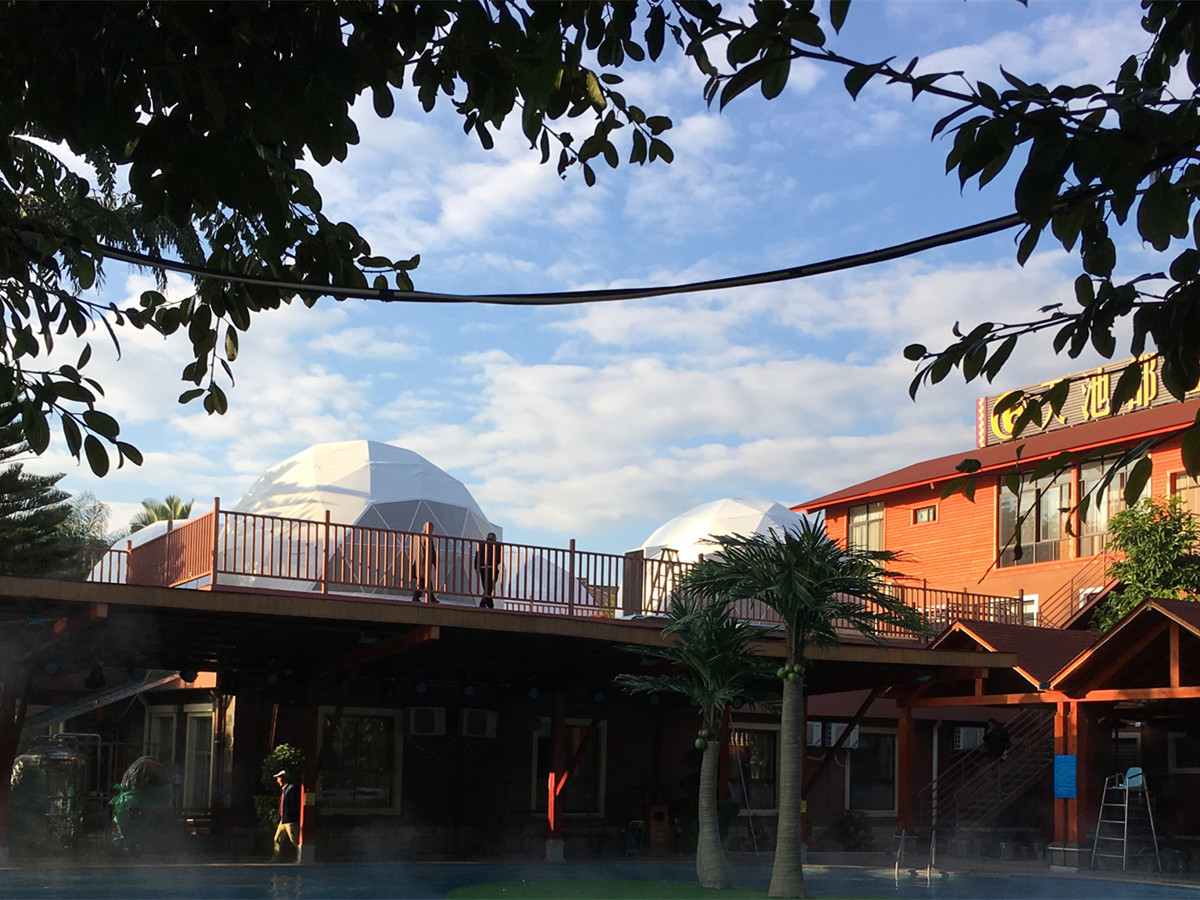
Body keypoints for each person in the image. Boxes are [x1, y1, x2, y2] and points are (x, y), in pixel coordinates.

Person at [272, 769, 301, 862]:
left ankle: (301, 857)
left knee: (294, 839)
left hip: (289, 819)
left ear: (283, 778)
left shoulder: (291, 788)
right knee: (277, 838)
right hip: (283, 819)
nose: (277, 781)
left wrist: (289, 814)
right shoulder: (284, 790)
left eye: (278, 778)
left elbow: (293, 804)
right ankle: (276, 858)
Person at [410, 528, 439, 603]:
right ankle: (417, 598)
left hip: (417, 561)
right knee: (423, 580)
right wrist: (434, 562)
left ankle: (431, 598)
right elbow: (431, 550)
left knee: (425, 580)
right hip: (423, 562)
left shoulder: (417, 536)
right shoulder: (427, 537)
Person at [474, 532, 501, 608]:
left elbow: (477, 557)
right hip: (492, 568)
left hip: (482, 568)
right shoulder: (497, 545)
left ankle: (490, 604)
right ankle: (483, 603)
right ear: (495, 539)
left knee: (486, 587)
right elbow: (499, 560)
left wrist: (476, 567)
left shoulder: (481, 544)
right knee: (489, 588)